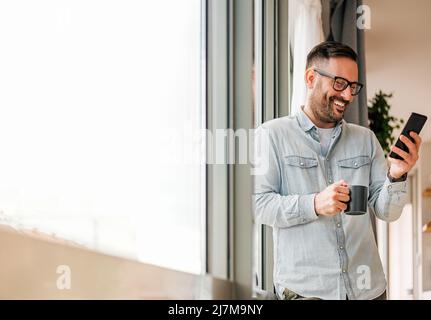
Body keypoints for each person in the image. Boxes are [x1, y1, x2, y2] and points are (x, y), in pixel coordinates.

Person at [253, 41, 422, 300]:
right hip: (307, 293)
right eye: (340, 83)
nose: (347, 95)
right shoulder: (272, 135)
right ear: (311, 78)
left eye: (353, 86)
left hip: (369, 292)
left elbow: (386, 211)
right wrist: (315, 204)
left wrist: (397, 174)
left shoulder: (365, 140)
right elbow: (259, 205)